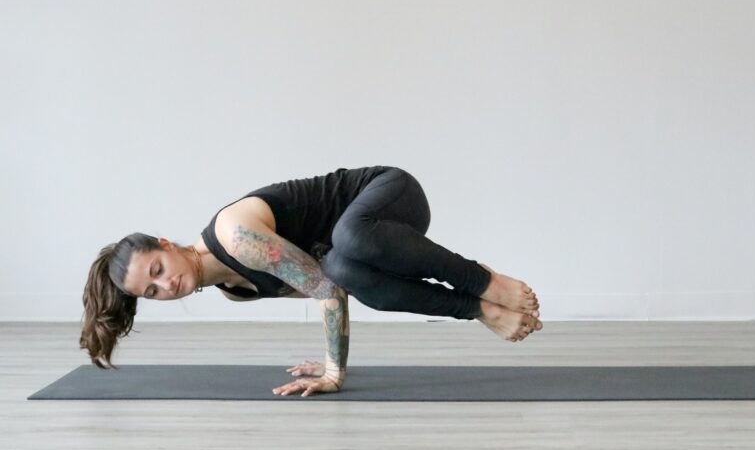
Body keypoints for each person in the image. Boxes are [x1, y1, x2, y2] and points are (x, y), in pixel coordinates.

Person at [80, 165, 543, 397]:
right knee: (344, 268)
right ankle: (480, 309)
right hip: (369, 247)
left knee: (349, 238)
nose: (166, 286)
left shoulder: (234, 237)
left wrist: (334, 372)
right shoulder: (236, 289)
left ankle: (483, 282)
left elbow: (322, 294)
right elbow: (331, 288)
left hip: (389, 196)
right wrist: (327, 361)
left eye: (158, 271)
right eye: (152, 292)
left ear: (165, 243)